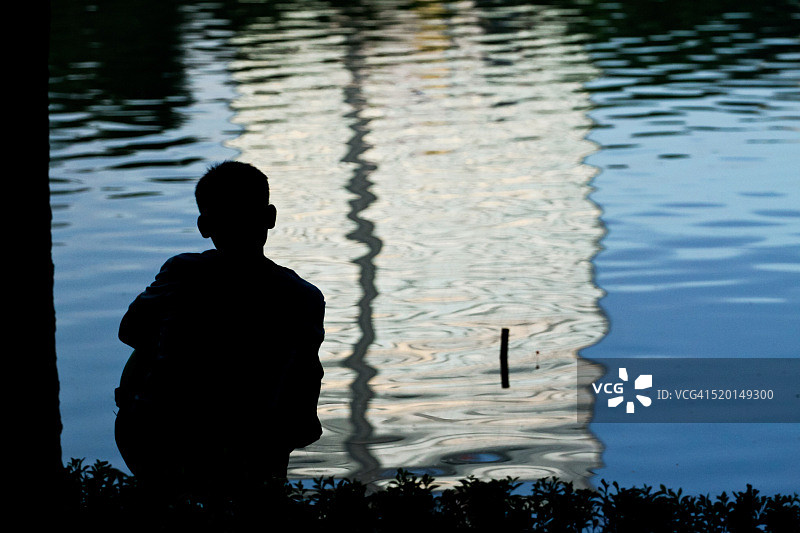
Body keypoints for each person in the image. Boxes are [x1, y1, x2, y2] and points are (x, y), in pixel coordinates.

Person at [114, 161, 325, 502]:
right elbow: (305, 380)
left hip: (161, 438)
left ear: (204, 226)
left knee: (151, 344)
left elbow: (130, 332)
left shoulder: (183, 272)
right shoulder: (304, 296)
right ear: (270, 217)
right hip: (257, 444)